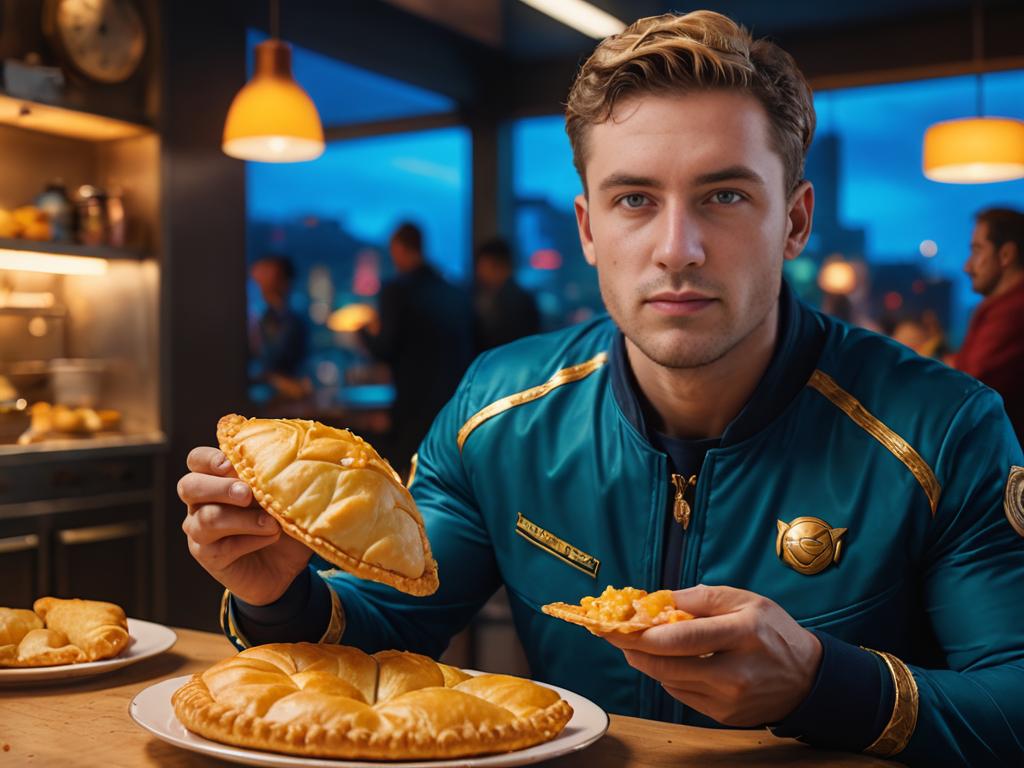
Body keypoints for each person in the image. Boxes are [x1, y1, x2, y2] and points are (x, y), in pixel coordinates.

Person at [178, 12, 1024, 765]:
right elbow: (394, 619)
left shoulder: (946, 427)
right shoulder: (498, 412)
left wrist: (820, 682)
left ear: (795, 220)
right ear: (588, 227)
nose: (677, 248)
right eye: (634, 200)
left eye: (725, 195)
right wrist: (277, 594)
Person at [357, 222, 474, 471]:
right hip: (453, 407)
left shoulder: (396, 291)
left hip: (411, 408)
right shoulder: (453, 291)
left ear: (398, 248)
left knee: (408, 483)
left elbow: (384, 349)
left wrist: (362, 333)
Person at [955, 207, 1024, 445]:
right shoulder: (1003, 308)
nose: (967, 266)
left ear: (1006, 255)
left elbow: (970, 388)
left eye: (977, 251)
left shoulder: (1013, 310)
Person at [249, 254, 309, 401]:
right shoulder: (262, 316)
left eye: (267, 272)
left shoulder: (291, 320)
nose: (258, 277)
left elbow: (276, 360)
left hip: (285, 398)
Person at [473, 237, 541, 352]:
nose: (479, 273)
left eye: (484, 267)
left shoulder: (516, 302)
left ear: (501, 267)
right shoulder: (484, 296)